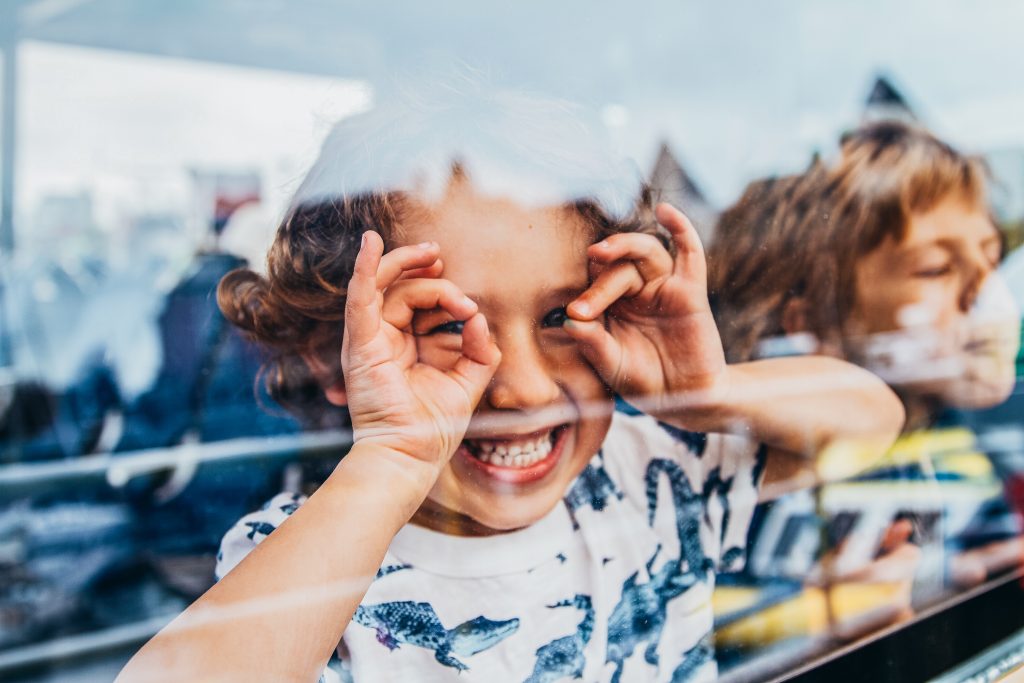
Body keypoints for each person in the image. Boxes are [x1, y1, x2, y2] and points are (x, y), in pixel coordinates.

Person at [117, 82, 902, 683]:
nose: (521, 387)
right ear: (332, 355)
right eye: (446, 322)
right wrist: (392, 456)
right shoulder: (310, 556)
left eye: (563, 314)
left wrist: (708, 393)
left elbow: (874, 417)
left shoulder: (651, 471)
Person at [708, 121, 1022, 629]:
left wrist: (971, 569)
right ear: (811, 323)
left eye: (992, 259)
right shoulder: (793, 482)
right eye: (936, 269)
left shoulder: (951, 433)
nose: (988, 296)